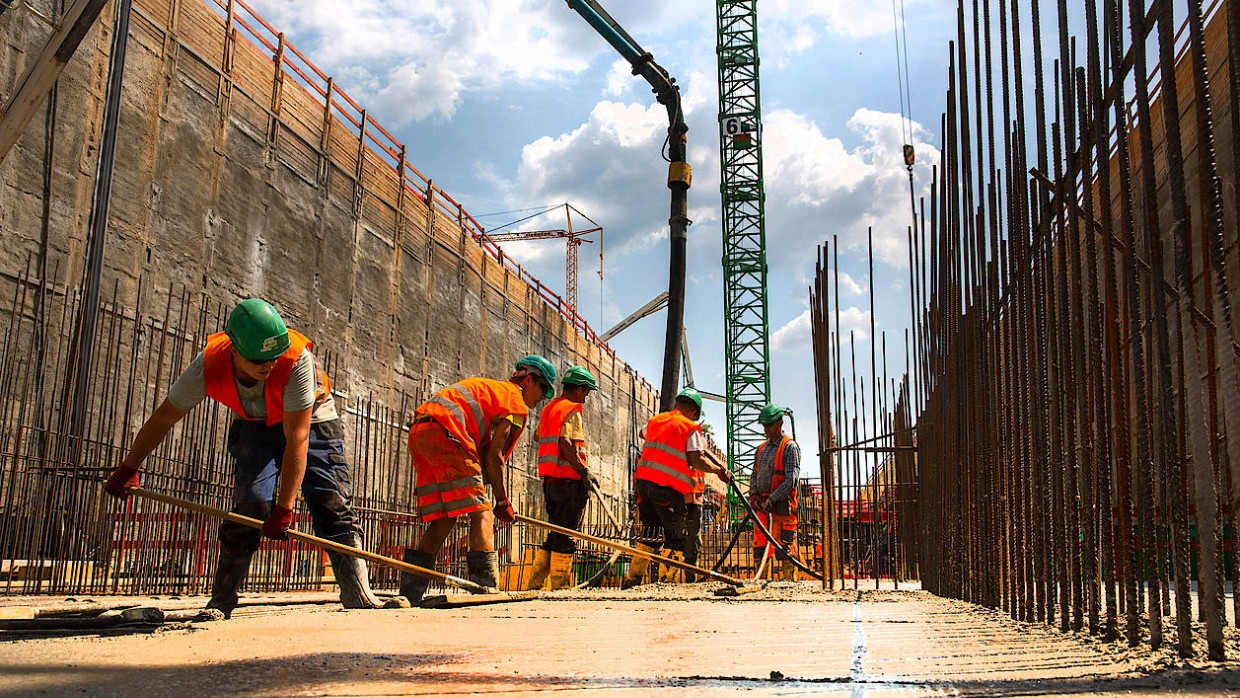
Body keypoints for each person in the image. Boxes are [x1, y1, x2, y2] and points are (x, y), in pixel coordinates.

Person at [104, 299, 389, 616]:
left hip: (312, 420)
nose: (268, 365)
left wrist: (284, 508)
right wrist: (128, 467)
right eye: (257, 359)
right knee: (250, 504)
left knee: (329, 501)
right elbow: (162, 419)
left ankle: (358, 594)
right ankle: (223, 599)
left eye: (272, 357)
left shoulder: (296, 362)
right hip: (254, 420)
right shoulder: (208, 366)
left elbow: (297, 438)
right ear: (234, 351)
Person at [399, 355, 556, 604]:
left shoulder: (492, 390)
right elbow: (495, 458)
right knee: (482, 513)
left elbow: (484, 456)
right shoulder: (515, 403)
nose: (543, 397)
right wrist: (503, 502)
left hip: (422, 433)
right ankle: (485, 589)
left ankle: (409, 593)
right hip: (449, 435)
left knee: (444, 517)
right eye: (543, 388)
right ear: (528, 380)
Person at [621, 388, 729, 589]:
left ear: (676, 404)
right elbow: (696, 459)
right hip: (666, 487)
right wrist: (717, 471)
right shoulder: (690, 427)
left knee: (649, 533)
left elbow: (642, 433)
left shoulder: (656, 421)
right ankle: (666, 584)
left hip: (644, 484)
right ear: (694, 411)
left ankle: (631, 581)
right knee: (676, 537)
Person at [525, 365, 598, 591]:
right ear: (578, 389)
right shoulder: (572, 409)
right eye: (586, 392)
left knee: (556, 532)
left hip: (550, 481)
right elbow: (565, 442)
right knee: (566, 535)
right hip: (568, 481)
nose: (585, 398)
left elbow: (540, 436)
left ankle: (534, 583)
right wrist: (582, 470)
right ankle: (558, 587)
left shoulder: (549, 409)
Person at [750, 403, 801, 581]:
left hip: (781, 508)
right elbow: (754, 475)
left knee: (785, 549)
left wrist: (772, 498)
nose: (767, 429)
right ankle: (761, 583)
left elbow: (791, 479)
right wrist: (754, 496)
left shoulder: (789, 447)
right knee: (760, 549)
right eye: (765, 425)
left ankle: (790, 586)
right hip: (763, 509)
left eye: (770, 425)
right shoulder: (761, 449)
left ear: (780, 423)